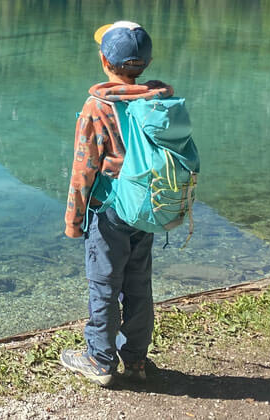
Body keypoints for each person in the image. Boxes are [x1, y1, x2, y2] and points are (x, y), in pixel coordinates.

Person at [59, 20, 173, 387]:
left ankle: (99, 359)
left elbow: (84, 169)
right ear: (148, 62)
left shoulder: (97, 107)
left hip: (109, 211)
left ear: (104, 60)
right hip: (147, 206)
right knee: (139, 283)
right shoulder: (160, 100)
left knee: (104, 283)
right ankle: (136, 359)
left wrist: (74, 220)